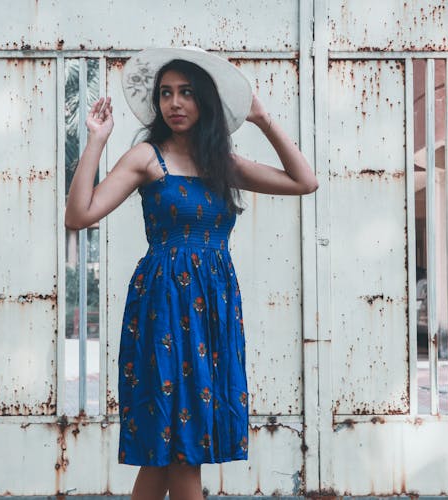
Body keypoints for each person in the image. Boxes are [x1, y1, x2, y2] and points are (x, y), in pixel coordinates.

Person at [65, 46, 318, 500]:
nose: (174, 103)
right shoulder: (146, 157)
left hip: (214, 308)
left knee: (172, 450)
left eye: (185, 93)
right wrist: (97, 141)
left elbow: (304, 181)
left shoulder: (222, 164)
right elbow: (79, 215)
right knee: (179, 448)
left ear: (205, 101)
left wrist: (262, 119)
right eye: (165, 94)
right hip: (162, 305)